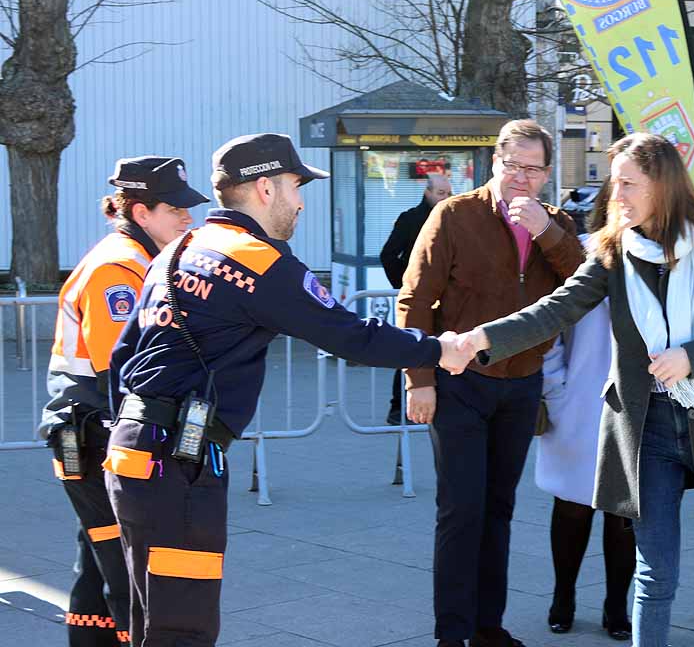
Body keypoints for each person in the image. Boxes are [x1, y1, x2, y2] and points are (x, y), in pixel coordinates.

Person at [103, 134, 469, 647]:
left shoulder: (179, 250)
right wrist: (438, 350)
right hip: (176, 463)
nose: (300, 201)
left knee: (152, 618)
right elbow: (350, 335)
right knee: (182, 627)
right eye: (297, 186)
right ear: (265, 189)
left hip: (134, 454)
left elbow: (124, 355)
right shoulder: (256, 260)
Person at [453, 133, 694, 647]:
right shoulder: (614, 250)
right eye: (615, 184)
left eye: (629, 184)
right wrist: (481, 339)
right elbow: (557, 309)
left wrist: (692, 357)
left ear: (664, 187)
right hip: (646, 429)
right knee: (654, 575)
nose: (618, 196)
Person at [396, 118, 584, 647]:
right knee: (461, 509)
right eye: (513, 165)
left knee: (499, 508)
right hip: (461, 382)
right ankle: (451, 634)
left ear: (547, 174)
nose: (521, 178)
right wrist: (419, 380)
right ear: (494, 163)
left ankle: (487, 628)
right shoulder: (455, 215)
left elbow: (586, 284)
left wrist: (548, 234)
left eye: (533, 169)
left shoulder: (557, 224)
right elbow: (415, 300)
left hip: (522, 383)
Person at [40, 157, 209, 647]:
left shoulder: (139, 260)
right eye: (175, 208)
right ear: (140, 212)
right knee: (127, 574)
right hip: (93, 434)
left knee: (98, 563)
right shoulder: (119, 267)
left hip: (89, 431)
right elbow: (123, 367)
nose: (187, 218)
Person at [539, 182, 635, 640]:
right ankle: (564, 594)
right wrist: (555, 387)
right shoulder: (579, 253)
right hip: (578, 398)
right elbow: (549, 327)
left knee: (624, 513)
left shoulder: (663, 256)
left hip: (636, 404)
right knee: (571, 506)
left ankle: (618, 604)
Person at [380, 172, 454, 424]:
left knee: (442, 349)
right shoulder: (410, 219)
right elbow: (388, 255)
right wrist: (404, 285)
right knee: (409, 347)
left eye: (448, 193)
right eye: (440, 193)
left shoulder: (453, 219)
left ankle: (436, 403)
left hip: (445, 298)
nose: (445, 198)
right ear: (428, 193)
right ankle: (397, 408)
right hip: (419, 298)